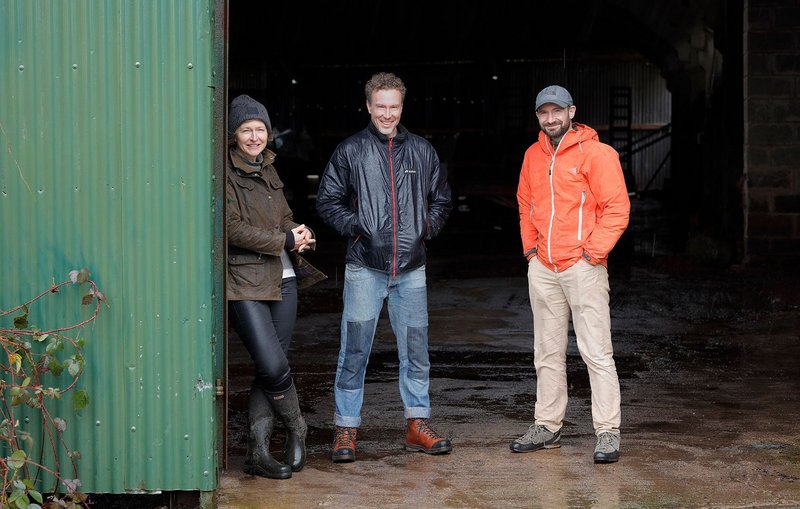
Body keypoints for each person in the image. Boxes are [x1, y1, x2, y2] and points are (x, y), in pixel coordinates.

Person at [316, 72, 453, 463]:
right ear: (369, 106)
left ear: (401, 107)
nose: (388, 114)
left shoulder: (423, 151)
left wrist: (425, 229)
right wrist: (358, 228)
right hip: (365, 268)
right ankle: (346, 428)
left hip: (411, 269)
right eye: (381, 106)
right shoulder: (350, 151)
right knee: (354, 350)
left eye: (394, 106)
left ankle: (417, 423)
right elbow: (327, 201)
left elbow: (442, 199)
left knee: (416, 350)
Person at [513, 85, 630, 463]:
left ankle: (608, 431)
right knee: (546, 352)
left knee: (596, 352)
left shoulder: (598, 154)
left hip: (583, 267)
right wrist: (531, 251)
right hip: (544, 267)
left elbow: (616, 208)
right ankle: (547, 426)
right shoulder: (532, 156)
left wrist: (592, 254)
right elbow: (524, 203)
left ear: (571, 111)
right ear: (538, 117)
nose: (551, 119)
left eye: (557, 111)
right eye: (544, 113)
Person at [226, 94, 326, 479]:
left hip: (284, 279)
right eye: (246, 130)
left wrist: (301, 234)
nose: (254, 137)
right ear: (234, 135)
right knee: (272, 364)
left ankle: (258, 452)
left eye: (260, 129)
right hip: (246, 281)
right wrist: (283, 240)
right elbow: (231, 228)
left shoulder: (269, 168)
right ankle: (297, 427)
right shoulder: (226, 174)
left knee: (272, 369)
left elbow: (284, 217)